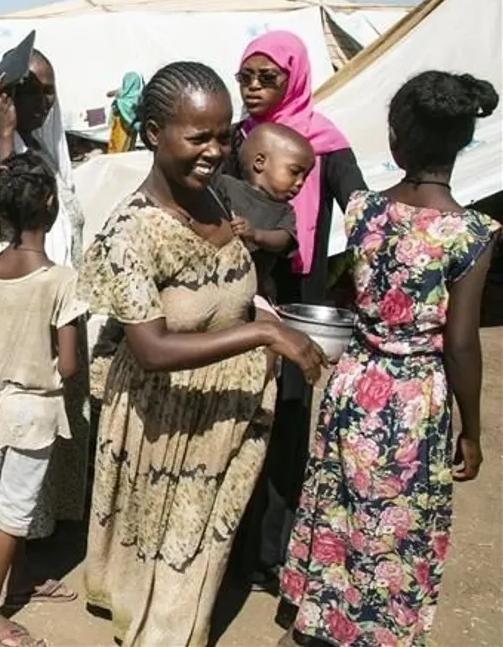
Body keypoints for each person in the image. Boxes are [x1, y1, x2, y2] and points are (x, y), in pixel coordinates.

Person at [78, 61, 326, 647]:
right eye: (198, 137)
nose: (216, 150)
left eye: (224, 134)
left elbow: (230, 293)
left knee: (200, 548)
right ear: (153, 134)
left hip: (224, 416)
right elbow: (154, 348)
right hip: (162, 421)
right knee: (171, 561)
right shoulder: (131, 234)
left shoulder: (215, 199)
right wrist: (265, 337)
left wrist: (265, 316)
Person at [277, 72, 499, 647]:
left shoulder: (366, 212)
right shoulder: (471, 234)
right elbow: (462, 342)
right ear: (463, 144)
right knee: (399, 519)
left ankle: (325, 615)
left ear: (396, 139)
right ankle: (382, 629)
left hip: (355, 384)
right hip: (414, 399)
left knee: (342, 502)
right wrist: (471, 431)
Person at [0, 46, 87, 598]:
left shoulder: (46, 148)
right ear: (4, 93)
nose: (44, 102)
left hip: (45, 316)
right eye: (31, 90)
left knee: (24, 457)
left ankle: (17, 559)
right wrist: (3, 137)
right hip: (5, 320)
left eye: (49, 91)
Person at [228, 30, 365, 596]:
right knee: (235, 420)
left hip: (297, 308)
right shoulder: (237, 140)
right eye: (246, 78)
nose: (254, 89)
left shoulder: (324, 146)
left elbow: (361, 212)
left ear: (295, 78)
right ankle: (229, 549)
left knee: (284, 427)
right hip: (238, 303)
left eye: (268, 79)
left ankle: (269, 557)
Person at [0, 152, 87, 647]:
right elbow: (70, 364)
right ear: (51, 204)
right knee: (15, 509)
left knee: (13, 500)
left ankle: (23, 573)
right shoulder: (59, 280)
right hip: (33, 411)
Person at [213, 122, 314, 303]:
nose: (300, 182)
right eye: (294, 172)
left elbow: (284, 239)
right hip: (211, 281)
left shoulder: (284, 211)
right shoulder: (225, 185)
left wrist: (256, 235)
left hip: (254, 291)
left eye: (304, 177)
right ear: (260, 162)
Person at [107, 71, 144, 153]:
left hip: (120, 129)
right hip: (132, 127)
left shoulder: (121, 100)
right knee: (129, 146)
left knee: (118, 147)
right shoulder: (139, 96)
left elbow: (109, 94)